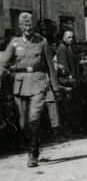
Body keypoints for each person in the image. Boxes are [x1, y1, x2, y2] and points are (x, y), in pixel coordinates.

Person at [0, 12, 60, 167]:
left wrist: (55, 87)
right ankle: (34, 145)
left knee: (34, 118)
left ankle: (32, 154)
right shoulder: (15, 43)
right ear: (20, 26)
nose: (27, 28)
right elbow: (3, 63)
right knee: (23, 123)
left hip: (37, 83)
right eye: (24, 25)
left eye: (29, 25)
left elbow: (50, 67)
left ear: (33, 26)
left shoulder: (42, 42)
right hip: (20, 85)